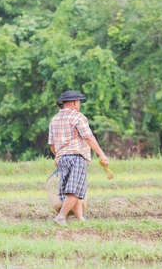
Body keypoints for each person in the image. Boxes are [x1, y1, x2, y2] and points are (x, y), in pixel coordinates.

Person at [48, 90, 109, 226]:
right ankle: (61, 217)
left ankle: (81, 219)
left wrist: (58, 156)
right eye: (79, 102)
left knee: (72, 189)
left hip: (62, 158)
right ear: (75, 102)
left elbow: (52, 145)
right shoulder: (78, 117)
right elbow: (88, 138)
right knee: (75, 190)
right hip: (77, 157)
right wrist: (101, 154)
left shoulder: (54, 120)